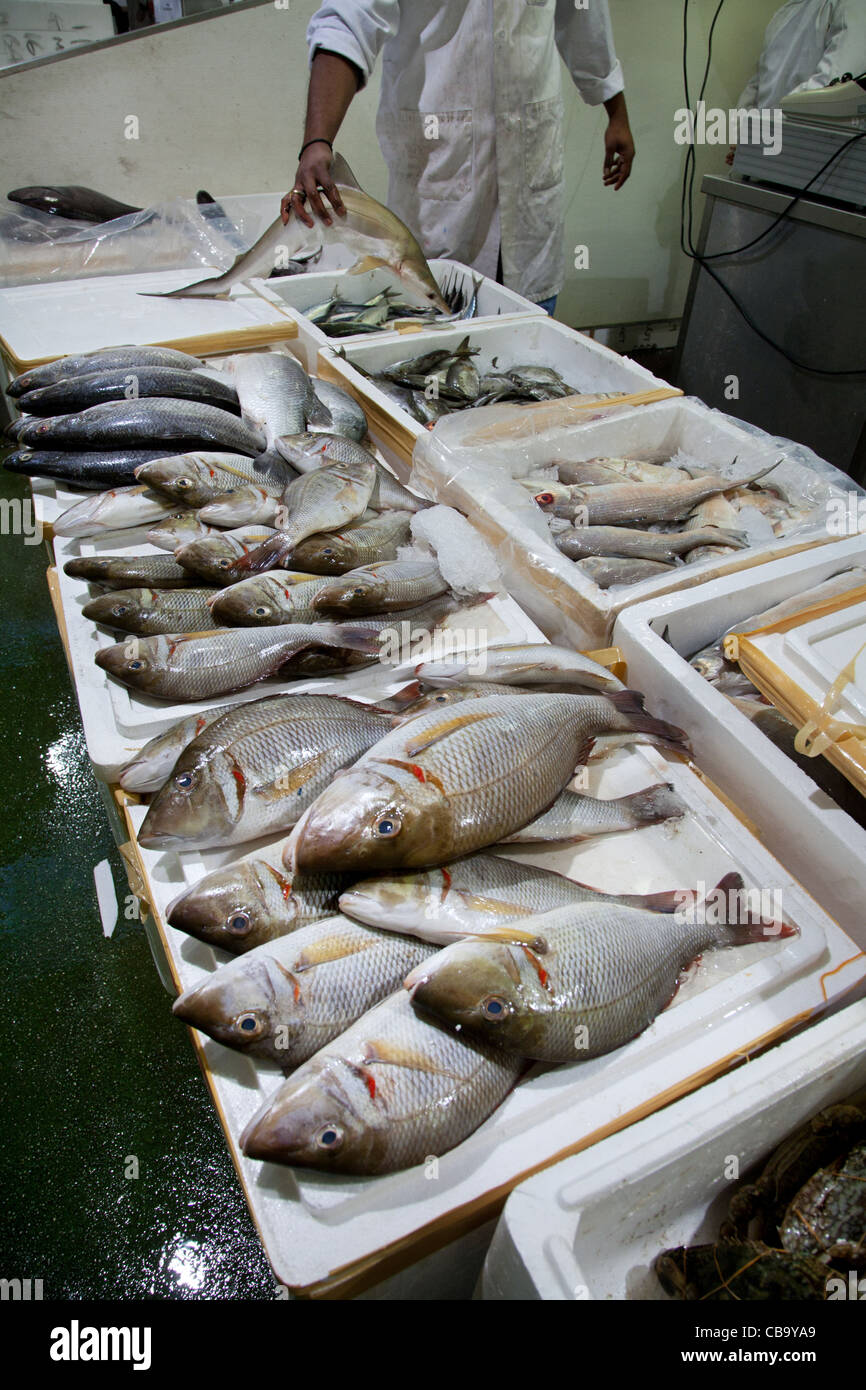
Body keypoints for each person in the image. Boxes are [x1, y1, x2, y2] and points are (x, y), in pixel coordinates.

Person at [282, 1, 634, 317]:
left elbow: (584, 17)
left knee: (524, 356)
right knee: (427, 351)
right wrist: (317, 140)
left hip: (530, 194)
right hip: (437, 186)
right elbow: (348, 21)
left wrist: (615, 110)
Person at [727, 0, 866, 163]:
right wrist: (741, 135)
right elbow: (758, 83)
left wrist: (758, 134)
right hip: (765, 153)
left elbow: (830, 93)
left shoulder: (853, 6)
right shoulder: (787, 11)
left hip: (812, 159)